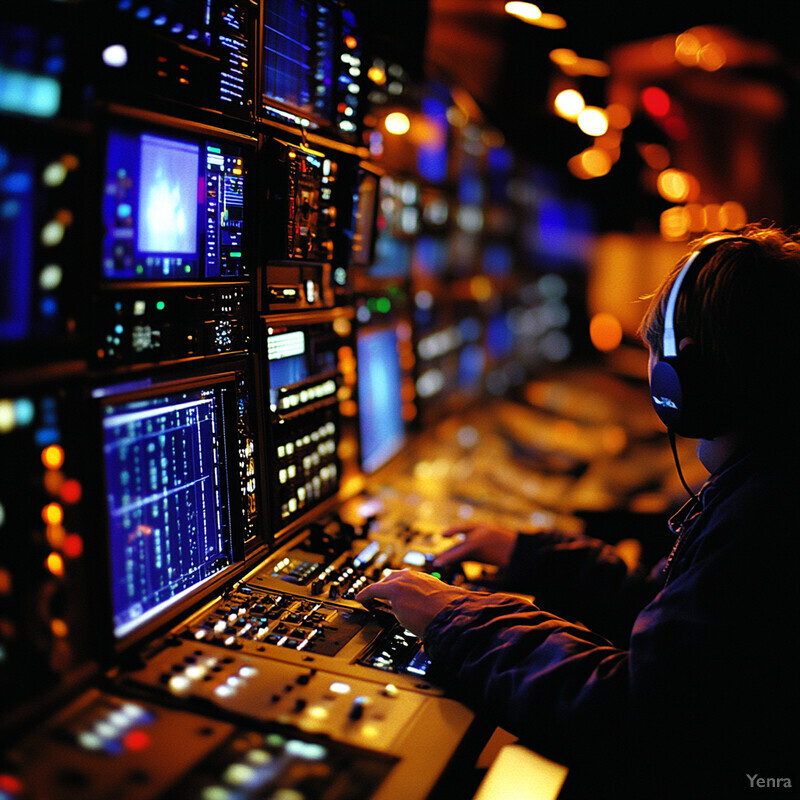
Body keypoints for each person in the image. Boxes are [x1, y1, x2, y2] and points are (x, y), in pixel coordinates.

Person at [358, 224, 800, 799]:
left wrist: (458, 621)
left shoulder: (764, 514)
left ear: (684, 375)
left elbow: (634, 715)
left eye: (652, 356)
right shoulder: (763, 478)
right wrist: (529, 554)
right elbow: (675, 619)